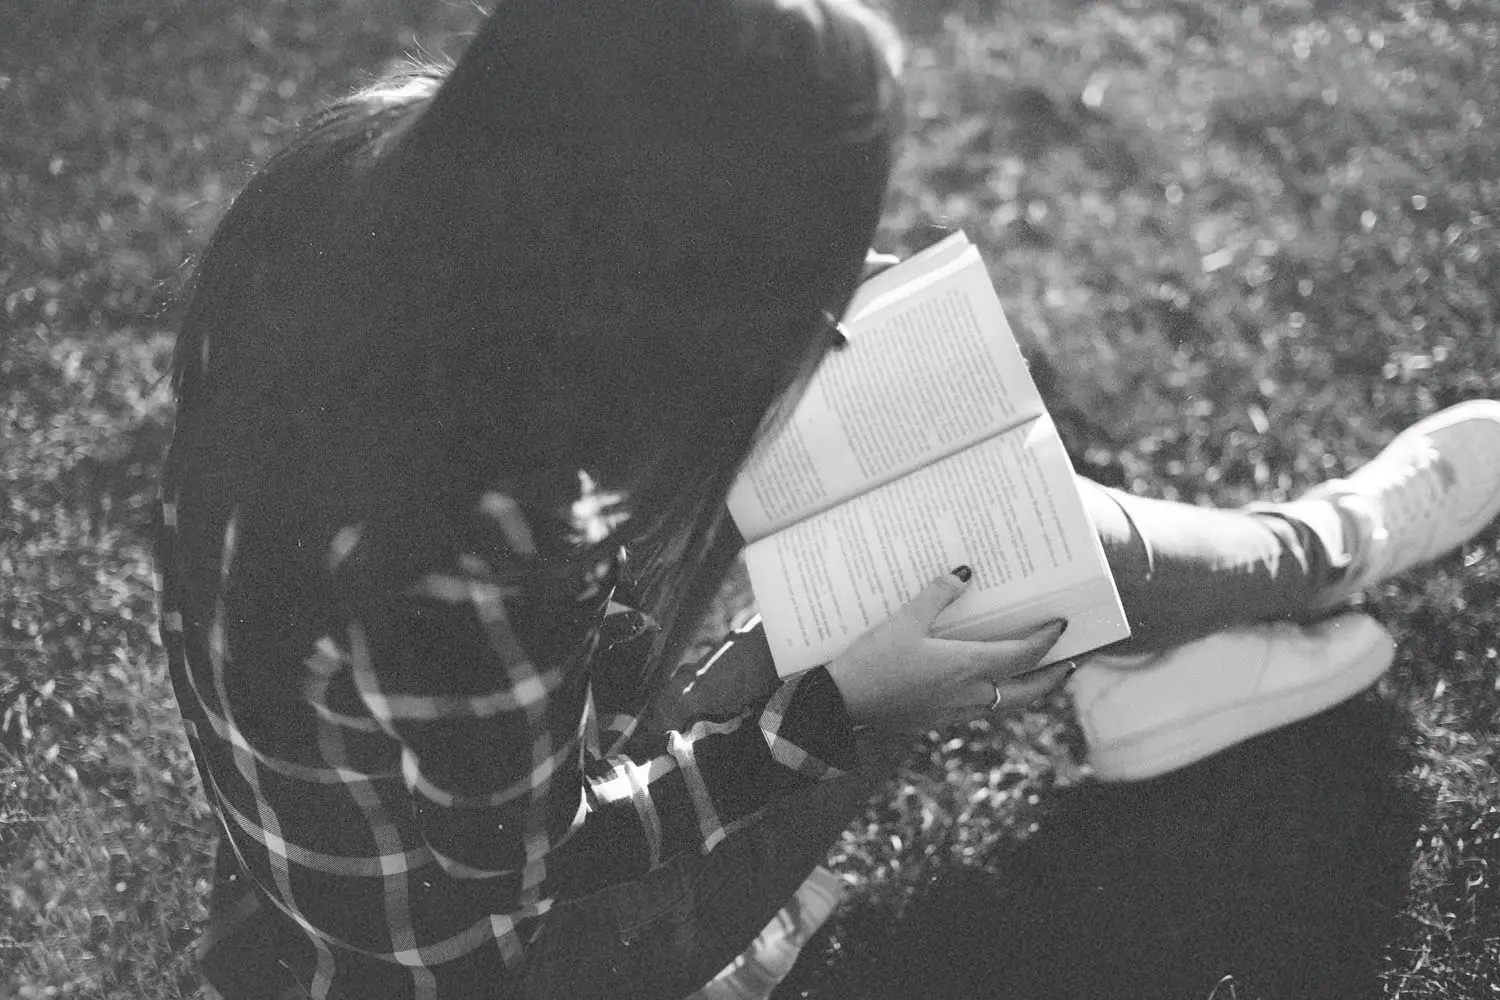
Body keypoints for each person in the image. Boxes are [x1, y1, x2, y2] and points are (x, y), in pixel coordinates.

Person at [154, 0, 1500, 996]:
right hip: (509, 964)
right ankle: (1314, 556)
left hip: (343, 840)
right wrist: (840, 708)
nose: (823, 285)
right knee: (957, 559)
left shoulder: (352, 202)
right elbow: (536, 862)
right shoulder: (475, 551)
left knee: (921, 452)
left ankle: (1182, 628)